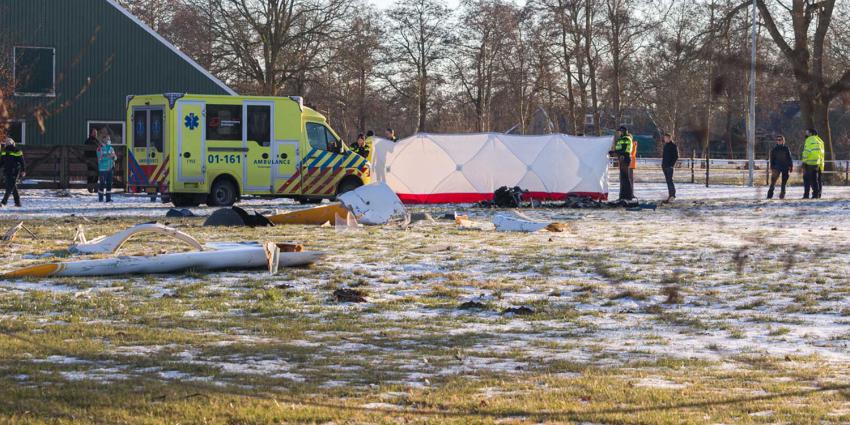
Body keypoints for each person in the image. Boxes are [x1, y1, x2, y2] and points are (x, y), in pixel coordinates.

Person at [609, 126, 634, 200]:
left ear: (623, 131)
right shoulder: (622, 138)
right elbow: (620, 149)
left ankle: (627, 196)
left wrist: (614, 152)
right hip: (622, 158)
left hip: (624, 158)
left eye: (620, 131)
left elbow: (623, 149)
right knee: (623, 178)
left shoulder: (626, 138)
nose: (619, 133)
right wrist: (615, 152)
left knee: (625, 178)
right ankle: (623, 196)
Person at [767, 135, 793, 200]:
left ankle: (782, 195)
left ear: (783, 141)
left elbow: (789, 158)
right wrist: (772, 167)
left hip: (785, 167)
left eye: (780, 140)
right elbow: (772, 159)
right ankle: (769, 196)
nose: (778, 141)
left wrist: (791, 166)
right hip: (776, 167)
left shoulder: (786, 148)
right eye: (777, 140)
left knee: (783, 183)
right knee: (773, 182)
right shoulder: (774, 149)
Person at [1, 137, 25, 207]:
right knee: (12, 186)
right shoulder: (4, 151)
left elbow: (21, 161)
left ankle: (3, 202)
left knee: (10, 187)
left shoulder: (17, 150)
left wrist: (23, 170)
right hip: (8, 171)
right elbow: (2, 161)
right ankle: (18, 203)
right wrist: (23, 170)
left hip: (14, 171)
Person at [802, 128, 825, 199]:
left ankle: (807, 195)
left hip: (809, 162)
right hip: (817, 163)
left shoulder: (809, 140)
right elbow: (822, 154)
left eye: (807, 132)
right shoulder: (820, 141)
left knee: (807, 179)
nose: (806, 134)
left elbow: (807, 151)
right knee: (816, 180)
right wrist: (821, 165)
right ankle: (817, 194)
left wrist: (804, 161)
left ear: (811, 133)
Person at [97, 135, 118, 202]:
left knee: (109, 184)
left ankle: (108, 198)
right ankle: (100, 198)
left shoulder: (111, 148)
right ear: (103, 140)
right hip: (103, 169)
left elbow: (115, 158)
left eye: (109, 139)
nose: (109, 140)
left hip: (110, 169)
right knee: (102, 183)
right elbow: (99, 159)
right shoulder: (100, 149)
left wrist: (113, 157)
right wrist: (108, 156)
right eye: (107, 139)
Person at [661, 133, 678, 202]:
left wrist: (671, 165)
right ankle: (670, 195)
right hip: (664, 166)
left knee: (670, 181)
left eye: (666, 138)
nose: (664, 139)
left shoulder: (673, 146)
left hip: (669, 166)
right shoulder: (665, 146)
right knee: (668, 181)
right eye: (664, 138)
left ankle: (672, 195)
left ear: (669, 138)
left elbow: (676, 156)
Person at [84, 128, 100, 192]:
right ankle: (90, 187)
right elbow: (85, 150)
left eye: (96, 133)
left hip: (97, 160)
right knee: (90, 173)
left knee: (96, 174)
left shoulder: (97, 141)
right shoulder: (88, 141)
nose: (95, 134)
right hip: (90, 160)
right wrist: (87, 159)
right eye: (94, 133)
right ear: (91, 133)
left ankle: (95, 187)